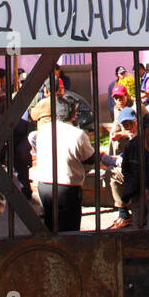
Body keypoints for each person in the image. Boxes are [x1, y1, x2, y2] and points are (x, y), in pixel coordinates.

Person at [32, 93, 107, 232]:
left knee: (50, 227)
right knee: (69, 230)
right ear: (74, 113)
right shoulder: (77, 134)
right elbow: (89, 158)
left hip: (45, 185)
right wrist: (101, 155)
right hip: (67, 188)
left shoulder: (43, 130)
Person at [107, 112, 149, 229]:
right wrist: (132, 188)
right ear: (143, 130)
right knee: (138, 225)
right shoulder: (132, 146)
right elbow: (126, 169)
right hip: (138, 188)